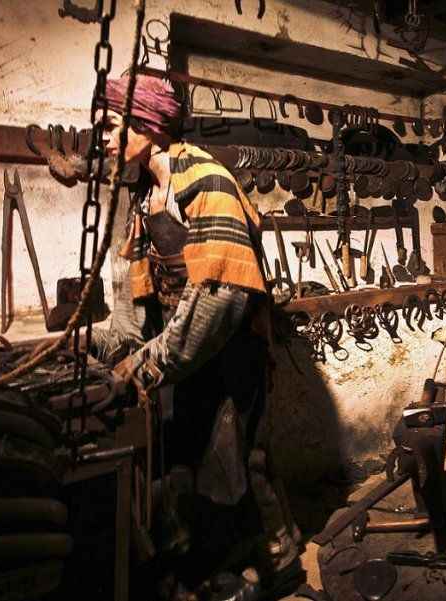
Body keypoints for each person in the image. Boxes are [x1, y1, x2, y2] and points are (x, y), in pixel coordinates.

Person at [89, 74, 301, 599]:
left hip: (230, 349)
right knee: (193, 457)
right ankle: (217, 560)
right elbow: (138, 293)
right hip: (186, 351)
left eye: (112, 126)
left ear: (147, 125)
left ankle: (281, 559)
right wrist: (107, 346)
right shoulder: (145, 196)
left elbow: (219, 301)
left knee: (239, 458)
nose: (105, 139)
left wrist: (144, 366)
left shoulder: (209, 184)